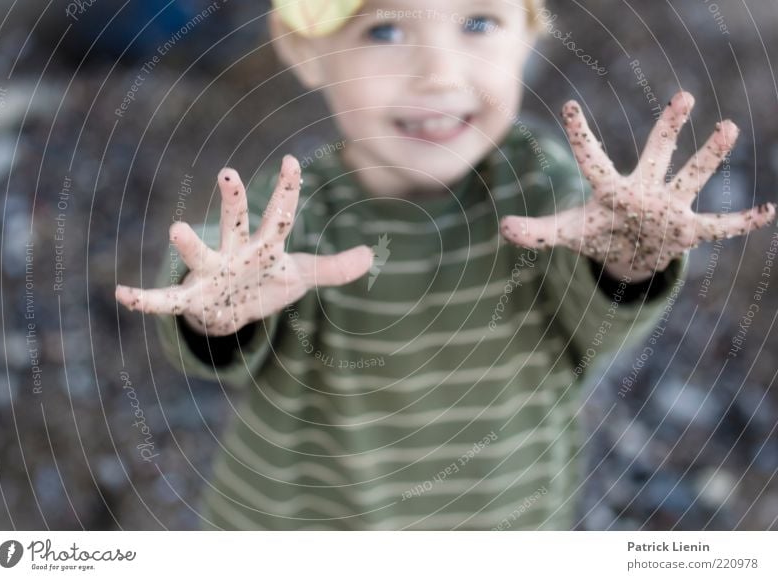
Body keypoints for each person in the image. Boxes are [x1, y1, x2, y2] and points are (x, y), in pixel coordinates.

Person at [115, 0, 775, 529]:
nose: (438, 73)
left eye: (479, 22)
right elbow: (221, 283)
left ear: (529, 35)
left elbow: (596, 323)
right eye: (383, 30)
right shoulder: (296, 205)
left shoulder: (541, 188)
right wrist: (213, 310)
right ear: (307, 52)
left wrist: (631, 260)